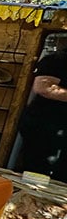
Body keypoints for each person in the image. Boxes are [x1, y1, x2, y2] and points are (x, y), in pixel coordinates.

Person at [18, 44, 67, 181]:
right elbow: (43, 87)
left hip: (59, 129)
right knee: (39, 173)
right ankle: (31, 199)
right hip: (46, 126)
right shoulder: (57, 60)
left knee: (59, 175)